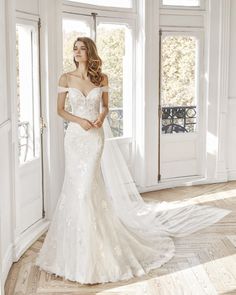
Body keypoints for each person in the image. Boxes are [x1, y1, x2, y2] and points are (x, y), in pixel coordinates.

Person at [35, 36, 231, 285]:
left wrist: (100, 118)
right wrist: (80, 121)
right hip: (75, 139)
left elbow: (105, 106)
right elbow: (60, 110)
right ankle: (74, 252)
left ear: (90, 52)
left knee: (87, 189)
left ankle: (95, 253)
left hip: (94, 138)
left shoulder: (101, 78)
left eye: (82, 48)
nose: (77, 52)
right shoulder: (65, 78)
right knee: (77, 190)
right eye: (75, 49)